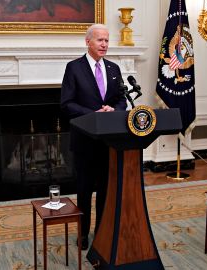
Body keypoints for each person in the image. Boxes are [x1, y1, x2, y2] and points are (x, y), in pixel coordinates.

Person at [60, 24, 127, 250]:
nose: (105, 44)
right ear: (87, 41)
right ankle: (83, 234)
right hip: (84, 142)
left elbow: (121, 99)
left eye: (107, 40)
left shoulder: (114, 68)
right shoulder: (73, 68)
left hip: (108, 142)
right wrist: (93, 115)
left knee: (106, 192)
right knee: (85, 191)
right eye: (100, 40)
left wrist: (114, 110)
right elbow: (66, 104)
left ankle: (102, 232)